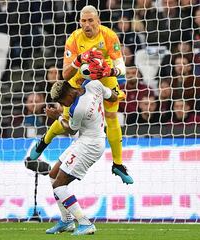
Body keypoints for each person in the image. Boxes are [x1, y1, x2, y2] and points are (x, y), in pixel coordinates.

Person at [29, 5, 134, 184]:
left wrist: (110, 71)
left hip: (105, 75)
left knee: (111, 116)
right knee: (66, 118)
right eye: (83, 21)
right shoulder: (74, 39)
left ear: (98, 21)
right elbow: (65, 74)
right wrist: (79, 60)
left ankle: (117, 164)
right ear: (79, 22)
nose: (87, 25)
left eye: (90, 20)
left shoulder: (109, 35)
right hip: (79, 77)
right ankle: (44, 141)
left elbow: (122, 67)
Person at [44, 80, 117, 235]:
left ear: (69, 94)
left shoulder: (77, 109)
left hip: (89, 145)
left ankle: (85, 223)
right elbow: (113, 97)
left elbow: (70, 130)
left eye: (63, 102)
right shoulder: (93, 84)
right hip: (86, 140)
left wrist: (57, 117)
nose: (64, 105)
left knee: (59, 185)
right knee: (53, 175)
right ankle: (66, 221)